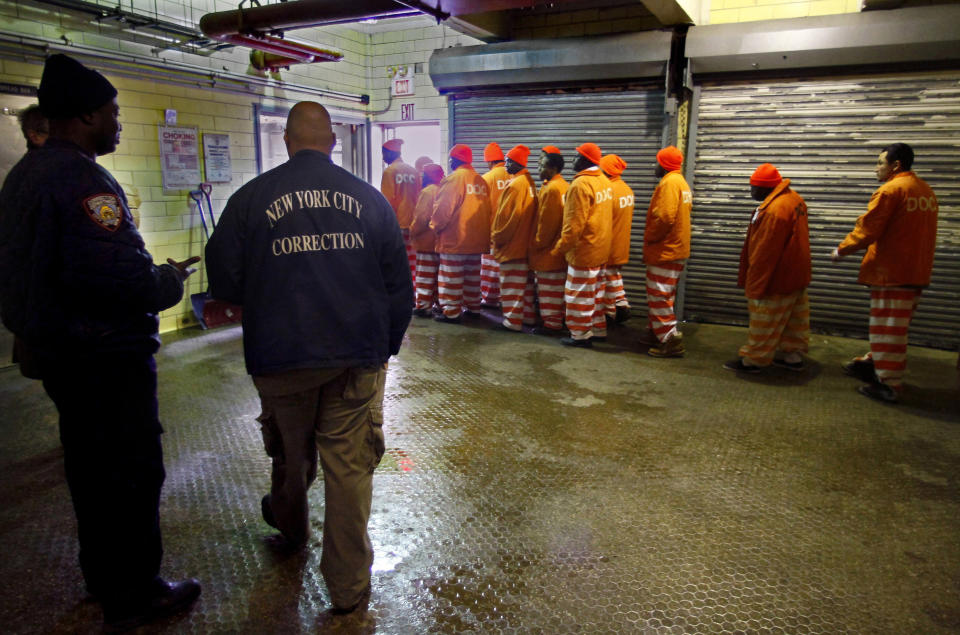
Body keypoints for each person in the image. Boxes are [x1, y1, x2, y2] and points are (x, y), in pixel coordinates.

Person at [0, 54, 201, 631]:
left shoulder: (26, 174)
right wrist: (167, 279)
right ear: (86, 115)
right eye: (113, 114)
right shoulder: (83, 179)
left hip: (60, 352)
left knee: (89, 470)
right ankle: (136, 593)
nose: (119, 125)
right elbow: (122, 280)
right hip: (104, 358)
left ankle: (103, 576)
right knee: (130, 473)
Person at [205, 101, 412, 615]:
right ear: (333, 143)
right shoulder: (370, 200)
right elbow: (399, 290)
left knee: (290, 453)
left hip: (280, 356)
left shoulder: (250, 200)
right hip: (354, 359)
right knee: (349, 469)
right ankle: (346, 590)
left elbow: (225, 279)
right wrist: (380, 349)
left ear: (287, 142)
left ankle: (290, 530)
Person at [831, 143, 938, 403]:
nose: (876, 168)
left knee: (888, 329)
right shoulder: (925, 190)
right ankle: (873, 362)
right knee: (894, 326)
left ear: (895, 165)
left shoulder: (891, 190)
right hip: (915, 272)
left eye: (880, 162)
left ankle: (889, 384)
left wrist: (842, 250)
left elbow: (869, 229)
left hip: (892, 273)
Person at [723, 164, 811, 374]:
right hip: (796, 274)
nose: (751, 192)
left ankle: (754, 360)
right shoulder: (794, 199)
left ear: (765, 188)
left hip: (777, 277)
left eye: (754, 187)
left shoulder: (774, 210)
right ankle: (793, 356)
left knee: (764, 319)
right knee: (793, 320)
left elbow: (764, 252)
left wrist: (755, 285)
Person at [551, 142, 613, 348]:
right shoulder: (604, 181)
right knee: (595, 294)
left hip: (584, 250)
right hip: (601, 248)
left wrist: (560, 247)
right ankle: (597, 330)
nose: (573, 160)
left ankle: (579, 335)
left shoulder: (580, 185)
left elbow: (573, 224)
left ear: (586, 160)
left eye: (577, 156)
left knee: (578, 295)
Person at [430, 144, 492, 323]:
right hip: (477, 240)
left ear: (453, 160)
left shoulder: (454, 179)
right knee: (472, 277)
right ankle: (473, 307)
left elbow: (443, 209)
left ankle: (451, 312)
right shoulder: (480, 180)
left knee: (451, 277)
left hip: (455, 239)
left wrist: (435, 227)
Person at [644, 146, 692, 358]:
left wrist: (651, 237)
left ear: (663, 164)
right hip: (675, 248)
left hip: (665, 250)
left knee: (659, 295)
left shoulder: (669, 183)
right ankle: (660, 333)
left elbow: (664, 217)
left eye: (657, 161)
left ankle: (669, 339)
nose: (654, 166)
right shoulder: (681, 182)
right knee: (664, 295)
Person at [490, 144, 538, 332]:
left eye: (509, 161)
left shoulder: (516, 185)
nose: (506, 164)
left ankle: (512, 322)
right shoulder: (528, 182)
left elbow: (508, 219)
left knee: (511, 285)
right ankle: (527, 318)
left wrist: (497, 237)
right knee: (523, 286)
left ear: (518, 163)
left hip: (513, 245)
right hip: (524, 244)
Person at [529, 146, 569, 335]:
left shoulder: (551, 189)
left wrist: (537, 244)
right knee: (557, 290)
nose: (538, 169)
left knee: (549, 289)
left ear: (552, 169)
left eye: (541, 165)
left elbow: (546, 223)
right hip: (559, 250)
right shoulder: (564, 185)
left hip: (548, 252)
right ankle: (557, 320)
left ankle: (551, 325)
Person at [599, 154, 635, 325]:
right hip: (622, 242)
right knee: (613, 275)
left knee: (606, 277)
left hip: (609, 242)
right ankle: (620, 304)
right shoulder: (626, 189)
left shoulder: (608, 190)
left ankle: (612, 310)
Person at [380, 138, 419, 283]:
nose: (383, 157)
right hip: (413, 223)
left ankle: (403, 290)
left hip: (397, 223)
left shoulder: (390, 171)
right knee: (413, 262)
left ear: (390, 153)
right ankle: (413, 290)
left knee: (398, 261)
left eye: (384, 153)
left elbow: (387, 200)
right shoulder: (413, 171)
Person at [410, 163, 444, 317]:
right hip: (439, 241)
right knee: (437, 275)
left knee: (424, 275)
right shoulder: (443, 190)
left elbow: (422, 217)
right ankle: (438, 303)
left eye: (424, 174)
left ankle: (423, 306)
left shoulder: (427, 192)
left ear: (429, 176)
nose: (421, 177)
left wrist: (413, 232)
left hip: (425, 240)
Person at [480, 142, 509, 307]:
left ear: (489, 162)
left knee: (491, 269)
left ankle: (490, 299)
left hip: (492, 232)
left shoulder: (487, 178)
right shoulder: (515, 176)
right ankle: (506, 299)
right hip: (513, 233)